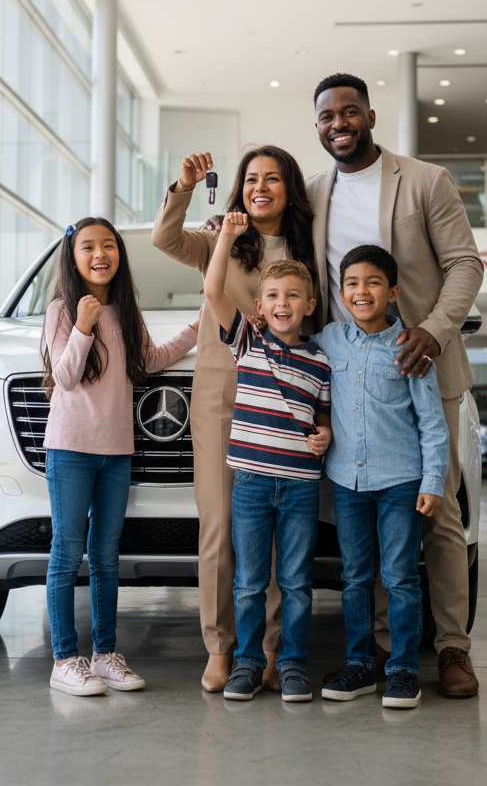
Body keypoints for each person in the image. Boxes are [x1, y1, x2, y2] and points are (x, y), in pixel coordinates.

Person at [307, 73, 484, 698]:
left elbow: (466, 262)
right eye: (327, 116)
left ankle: (452, 648)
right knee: (369, 530)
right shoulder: (312, 193)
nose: (339, 124)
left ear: (371, 116)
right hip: (354, 376)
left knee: (436, 515)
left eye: (349, 112)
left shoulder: (425, 180)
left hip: (423, 365)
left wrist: (433, 330)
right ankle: (383, 651)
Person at [152, 147, 320, 692]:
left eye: (273, 178)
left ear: (290, 188)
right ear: (240, 187)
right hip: (223, 390)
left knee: (278, 534)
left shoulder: (309, 246)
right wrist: (182, 186)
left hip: (289, 397)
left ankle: (269, 652)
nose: (260, 186)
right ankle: (220, 647)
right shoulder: (218, 236)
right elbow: (165, 241)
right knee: (221, 525)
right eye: (251, 178)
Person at [41, 217, 198, 696]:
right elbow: (65, 378)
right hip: (70, 448)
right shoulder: (61, 311)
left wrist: (198, 327)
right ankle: (65, 659)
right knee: (67, 553)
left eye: (108, 245)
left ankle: (105, 655)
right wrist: (83, 327)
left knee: (106, 557)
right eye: (88, 246)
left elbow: (149, 360)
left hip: (117, 451)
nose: (100, 253)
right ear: (73, 256)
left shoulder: (126, 312)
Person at [201, 209, 332, 703]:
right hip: (252, 483)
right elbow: (214, 292)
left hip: (300, 486)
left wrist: (323, 435)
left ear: (309, 305)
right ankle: (248, 664)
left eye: (293, 296)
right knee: (251, 581)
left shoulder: (319, 360)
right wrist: (228, 237)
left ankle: (292, 663)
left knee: (296, 583)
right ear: (259, 305)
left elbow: (323, 417)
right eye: (274, 296)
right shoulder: (246, 342)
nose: (283, 303)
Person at [313, 245, 449, 709]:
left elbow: (432, 423)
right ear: (341, 291)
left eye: (372, 282)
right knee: (354, 577)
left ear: (392, 291)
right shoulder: (329, 339)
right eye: (351, 283)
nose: (361, 291)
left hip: (400, 482)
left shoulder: (411, 347)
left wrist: (433, 482)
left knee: (400, 577)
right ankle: (359, 665)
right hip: (347, 483)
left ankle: (404, 670)